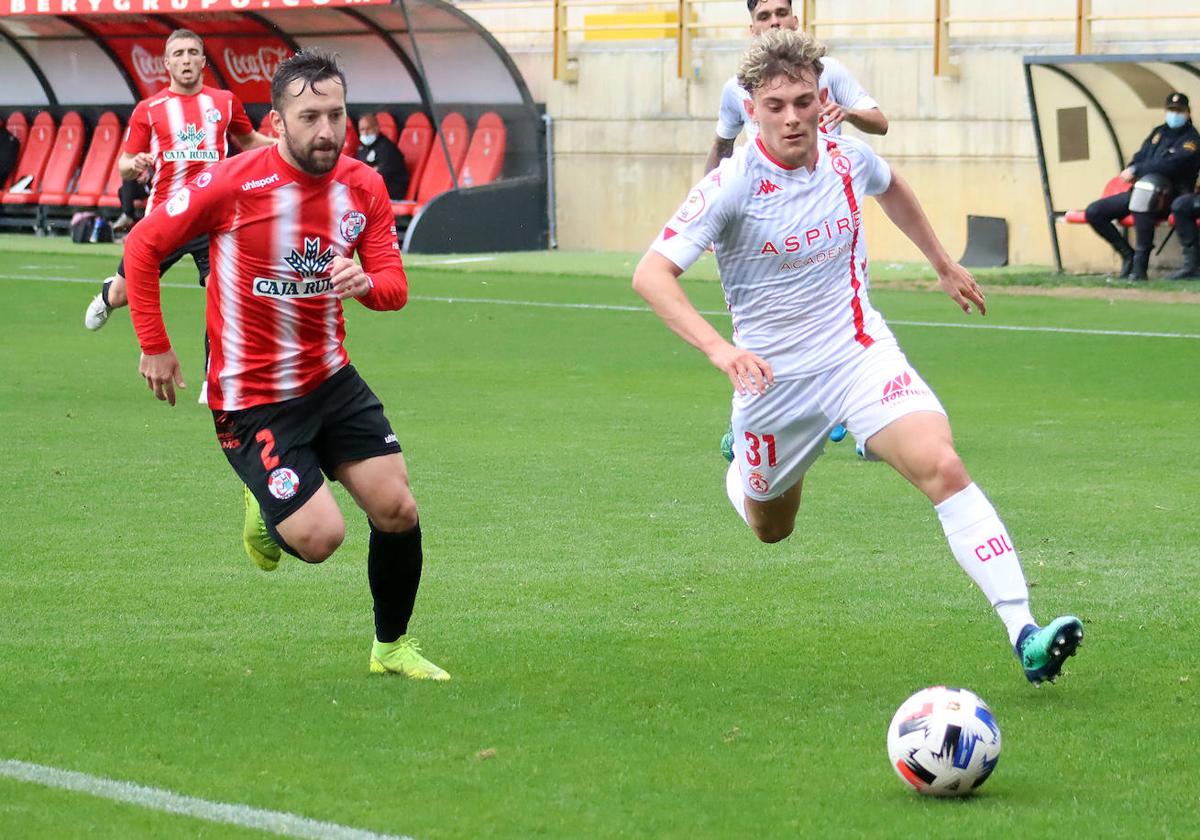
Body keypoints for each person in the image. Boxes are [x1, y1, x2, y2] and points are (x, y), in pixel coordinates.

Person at [633, 30, 1083, 686]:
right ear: (752, 107)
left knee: (943, 464)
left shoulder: (847, 157)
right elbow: (651, 274)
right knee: (770, 527)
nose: (794, 117)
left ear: (823, 98)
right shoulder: (731, 185)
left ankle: (1025, 633)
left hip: (855, 353)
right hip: (772, 385)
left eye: (805, 101)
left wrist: (942, 262)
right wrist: (721, 350)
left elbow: (893, 185)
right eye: (777, 104)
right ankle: (743, 462)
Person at [123, 49, 449, 681]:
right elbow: (142, 247)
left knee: (398, 510)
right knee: (321, 540)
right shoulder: (232, 184)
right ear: (277, 122)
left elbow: (394, 287)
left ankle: (391, 648)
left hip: (331, 380)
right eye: (310, 117)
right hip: (252, 398)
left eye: (337, 115)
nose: (326, 131)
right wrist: (154, 343)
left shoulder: (365, 185)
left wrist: (366, 282)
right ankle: (264, 498)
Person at [83, 29, 273, 335]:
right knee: (124, 296)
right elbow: (124, 166)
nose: (186, 59)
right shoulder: (150, 109)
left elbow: (248, 140)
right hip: (164, 216)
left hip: (210, 219)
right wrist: (135, 163)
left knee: (223, 298)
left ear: (202, 61)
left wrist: (284, 146)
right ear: (167, 64)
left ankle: (214, 380)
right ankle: (107, 294)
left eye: (192, 52)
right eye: (179, 54)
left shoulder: (224, 101)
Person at [704, 0, 887, 175]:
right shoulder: (736, 87)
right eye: (764, 17)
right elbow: (722, 146)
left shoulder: (829, 70)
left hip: (825, 191)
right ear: (753, 29)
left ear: (795, 21)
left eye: (781, 13)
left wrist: (848, 113)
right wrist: (707, 196)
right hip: (772, 198)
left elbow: (881, 124)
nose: (775, 22)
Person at [1084, 92, 1200, 281]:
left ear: (1188, 112)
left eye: (1179, 111)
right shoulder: (1158, 133)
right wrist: (1132, 167)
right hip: (1141, 191)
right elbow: (1140, 156)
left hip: (1172, 196)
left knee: (1147, 192)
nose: (1175, 114)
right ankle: (1128, 255)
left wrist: (1138, 169)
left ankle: (1140, 267)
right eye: (1171, 110)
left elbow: (1170, 166)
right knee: (1095, 212)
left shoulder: (1191, 141)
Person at [354, 113, 409, 200]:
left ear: (377, 128)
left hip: (391, 194)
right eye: (362, 129)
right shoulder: (362, 149)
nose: (365, 133)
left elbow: (379, 177)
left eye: (368, 128)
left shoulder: (387, 149)